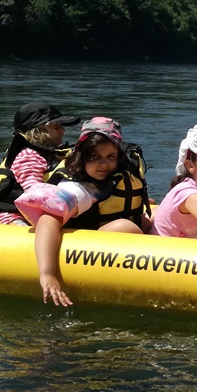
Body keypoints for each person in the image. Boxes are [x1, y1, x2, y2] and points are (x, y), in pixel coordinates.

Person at [16, 117, 152, 306]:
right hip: (81, 246)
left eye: (110, 157)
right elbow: (48, 219)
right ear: (82, 157)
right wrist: (47, 273)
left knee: (148, 220)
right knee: (125, 226)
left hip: (104, 232)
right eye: (94, 156)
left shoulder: (118, 175)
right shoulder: (78, 189)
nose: (103, 163)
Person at [0, 102, 79, 225]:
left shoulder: (48, 154)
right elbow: (34, 194)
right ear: (41, 131)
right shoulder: (29, 156)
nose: (63, 130)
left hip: (27, 215)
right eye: (57, 127)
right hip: (12, 217)